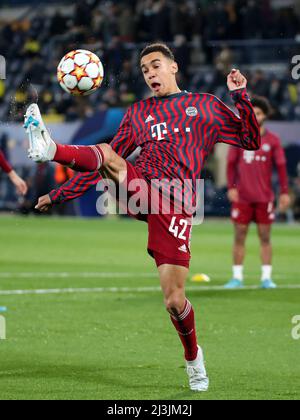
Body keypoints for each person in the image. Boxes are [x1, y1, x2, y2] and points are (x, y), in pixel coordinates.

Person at [24, 43, 260, 392]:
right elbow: (106, 159)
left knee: (174, 299)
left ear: (174, 67)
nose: (150, 73)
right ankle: (50, 149)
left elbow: (250, 139)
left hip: (177, 203)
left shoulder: (205, 106)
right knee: (107, 153)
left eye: (155, 66)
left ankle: (194, 359)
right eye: (144, 69)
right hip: (140, 190)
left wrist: (240, 96)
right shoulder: (138, 113)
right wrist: (60, 195)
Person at [225, 96, 290, 290]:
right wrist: (231, 187)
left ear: (265, 116)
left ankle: (266, 278)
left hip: (264, 198)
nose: (255, 116)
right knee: (239, 236)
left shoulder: (273, 140)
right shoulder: (240, 138)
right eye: (252, 112)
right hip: (242, 197)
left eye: (259, 113)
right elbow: (230, 165)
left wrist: (285, 192)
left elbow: (281, 167)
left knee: (265, 237)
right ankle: (237, 278)